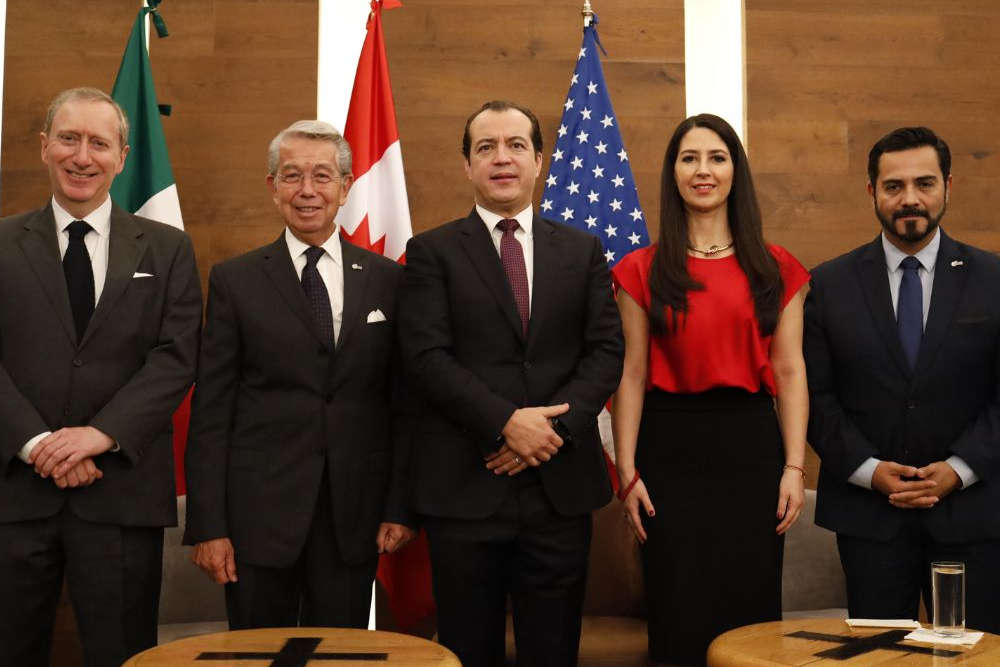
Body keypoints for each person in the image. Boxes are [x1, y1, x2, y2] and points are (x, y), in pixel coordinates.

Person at [397, 100, 624, 666]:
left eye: (516, 145)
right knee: (467, 652)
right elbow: (425, 358)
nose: (502, 158)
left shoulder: (583, 250)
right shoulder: (430, 253)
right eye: (486, 147)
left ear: (539, 160)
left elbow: (605, 352)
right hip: (465, 488)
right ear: (467, 165)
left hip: (558, 488)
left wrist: (550, 433)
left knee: (553, 652)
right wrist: (505, 423)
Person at [183, 120, 414, 629]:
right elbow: (212, 412)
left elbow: (401, 405)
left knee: (340, 657)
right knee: (257, 657)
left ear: (346, 187)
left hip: (353, 519)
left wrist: (398, 506)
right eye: (292, 176)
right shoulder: (235, 281)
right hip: (257, 521)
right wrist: (209, 526)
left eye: (322, 176)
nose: (307, 190)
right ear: (273, 187)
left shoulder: (389, 279)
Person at [0, 87, 202, 667]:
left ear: (122, 156)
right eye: (69, 139)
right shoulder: (2, 243)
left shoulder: (168, 249)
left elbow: (176, 357)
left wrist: (98, 436)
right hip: (14, 494)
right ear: (45, 146)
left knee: (124, 657)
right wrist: (38, 445)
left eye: (99, 143)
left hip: (121, 496)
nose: (82, 156)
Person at [610, 113, 810, 665]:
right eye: (689, 158)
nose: (703, 170)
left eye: (717, 158)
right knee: (678, 609)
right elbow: (630, 375)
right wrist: (627, 473)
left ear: (735, 171)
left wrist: (794, 467)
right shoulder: (641, 269)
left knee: (749, 618)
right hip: (668, 452)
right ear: (672, 173)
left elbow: (790, 372)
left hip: (751, 450)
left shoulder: (775, 267)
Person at [804, 126, 1000, 633]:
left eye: (924, 183)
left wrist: (959, 468)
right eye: (894, 186)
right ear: (872, 191)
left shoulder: (993, 279)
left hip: (974, 514)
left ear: (948, 186)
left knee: (973, 659)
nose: (910, 198)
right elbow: (815, 397)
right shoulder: (828, 284)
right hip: (870, 518)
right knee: (876, 658)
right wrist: (869, 471)